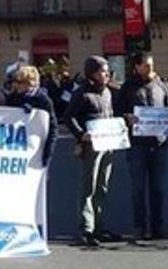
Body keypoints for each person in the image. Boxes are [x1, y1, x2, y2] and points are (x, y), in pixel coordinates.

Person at [115, 54, 168, 241]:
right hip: (137, 145)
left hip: (159, 143)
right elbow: (117, 111)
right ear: (137, 67)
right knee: (138, 189)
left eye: (151, 65)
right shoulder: (127, 88)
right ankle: (139, 227)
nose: (150, 69)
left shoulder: (161, 85)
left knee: (158, 188)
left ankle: (158, 227)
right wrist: (126, 117)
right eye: (146, 66)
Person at [64, 56, 119, 247]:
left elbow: (111, 114)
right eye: (104, 71)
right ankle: (87, 229)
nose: (107, 74)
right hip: (91, 146)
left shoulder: (108, 93)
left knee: (102, 187)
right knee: (89, 187)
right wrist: (81, 135)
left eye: (107, 71)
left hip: (108, 144)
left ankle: (99, 227)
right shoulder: (82, 93)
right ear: (93, 73)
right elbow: (69, 117)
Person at [4, 65, 57, 167]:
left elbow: (53, 128)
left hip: (35, 149)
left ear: (30, 83)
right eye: (15, 81)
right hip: (15, 147)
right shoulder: (12, 97)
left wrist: (47, 153)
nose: (16, 85)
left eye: (19, 82)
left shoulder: (43, 100)